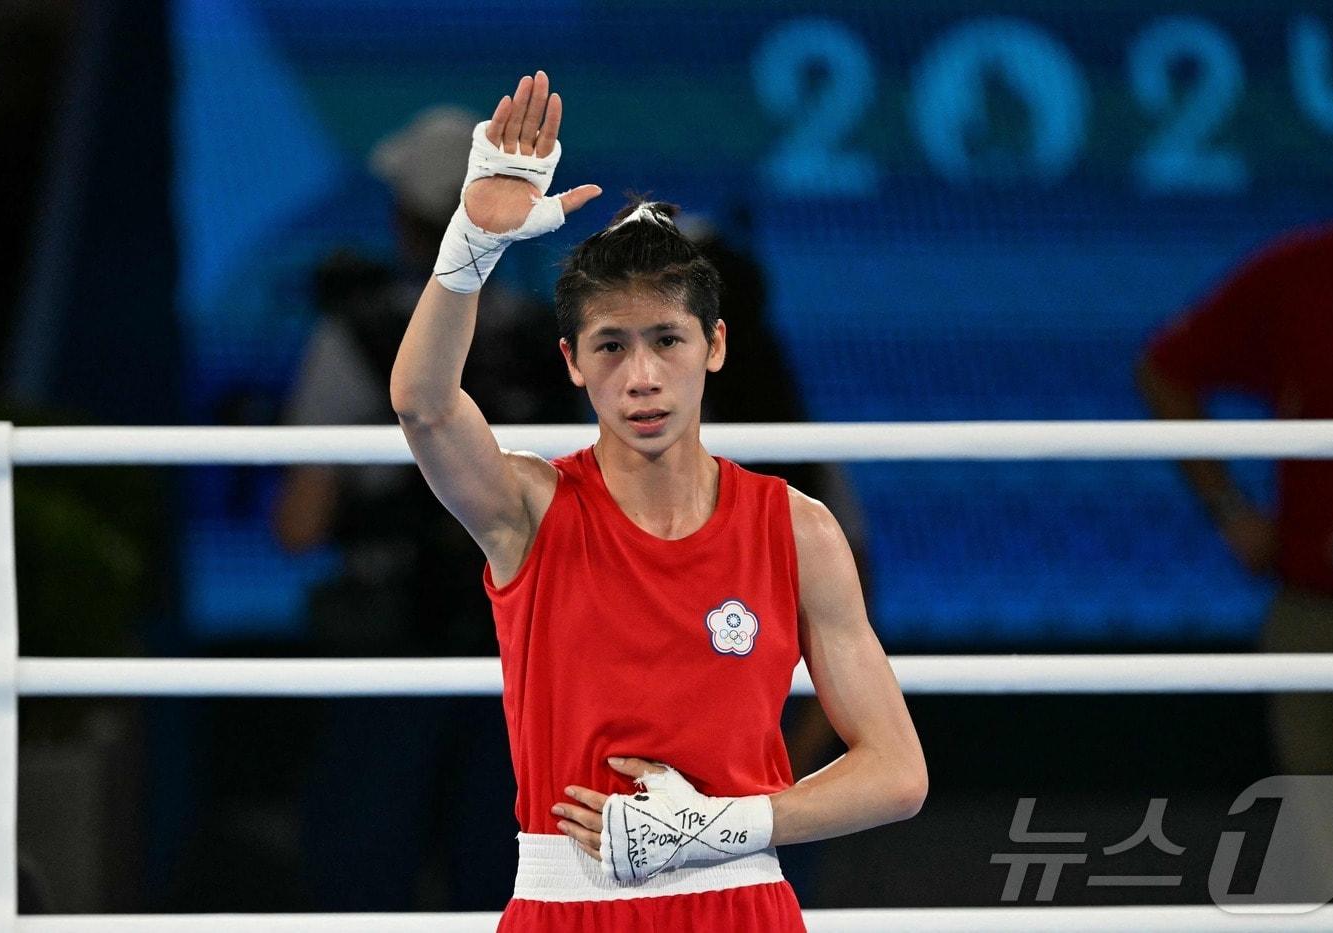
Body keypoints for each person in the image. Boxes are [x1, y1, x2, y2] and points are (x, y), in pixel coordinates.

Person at [390, 71, 927, 929]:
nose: (641, 377)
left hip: (742, 901)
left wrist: (722, 824)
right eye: (611, 345)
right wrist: (469, 250)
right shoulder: (528, 508)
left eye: (666, 340)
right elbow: (423, 404)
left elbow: (897, 772)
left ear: (713, 346)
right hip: (569, 906)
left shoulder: (797, 528)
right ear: (572, 359)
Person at [273, 106, 576, 910]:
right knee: (517, 876)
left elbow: (297, 526)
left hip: (392, 648)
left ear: (407, 221)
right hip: (523, 648)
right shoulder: (561, 345)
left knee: (363, 880)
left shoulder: (352, 337)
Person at [1137, 73, 1333, 902]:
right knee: (1326, 853)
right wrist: (1231, 509)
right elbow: (1166, 368)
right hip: (1326, 609)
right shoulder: (1302, 274)